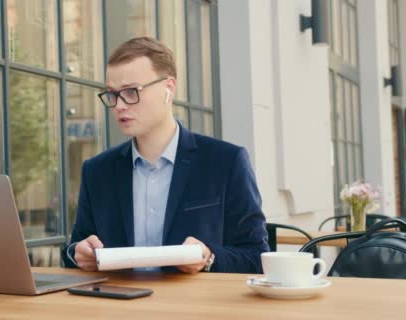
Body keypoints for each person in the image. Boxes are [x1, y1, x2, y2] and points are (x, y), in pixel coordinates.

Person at [61, 37, 268, 274]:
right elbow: (75, 250)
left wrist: (209, 258)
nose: (119, 105)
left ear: (168, 89)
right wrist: (78, 252)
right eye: (113, 94)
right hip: (118, 308)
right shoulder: (96, 171)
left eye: (130, 92)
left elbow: (256, 257)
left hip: (193, 309)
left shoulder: (226, 162)